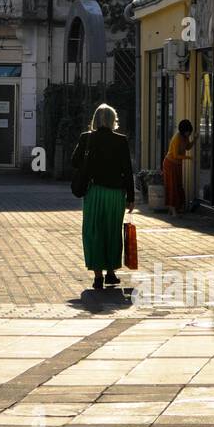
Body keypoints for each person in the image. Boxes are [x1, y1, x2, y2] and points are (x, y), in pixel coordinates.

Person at [71, 103, 135, 290]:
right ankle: (111, 273)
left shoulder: (87, 139)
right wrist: (131, 197)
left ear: (95, 120)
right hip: (115, 194)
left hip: (93, 192)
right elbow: (128, 170)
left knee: (94, 232)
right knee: (112, 232)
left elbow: (74, 162)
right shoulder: (121, 140)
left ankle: (97, 276)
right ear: (113, 120)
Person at [163, 119, 195, 216]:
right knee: (172, 186)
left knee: (178, 185)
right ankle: (172, 210)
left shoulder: (185, 137)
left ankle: (175, 208)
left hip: (177, 164)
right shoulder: (177, 138)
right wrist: (188, 157)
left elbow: (188, 147)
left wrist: (195, 139)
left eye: (190, 132)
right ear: (183, 131)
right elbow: (175, 155)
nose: (189, 134)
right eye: (188, 132)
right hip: (170, 164)